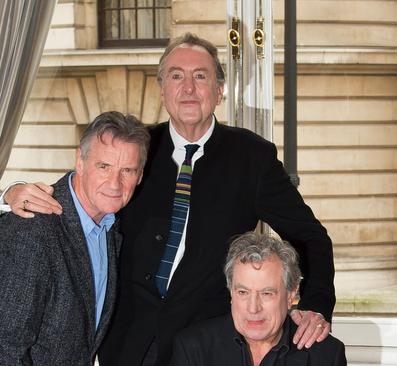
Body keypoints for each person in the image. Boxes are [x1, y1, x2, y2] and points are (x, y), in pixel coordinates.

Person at [0, 33, 335, 366]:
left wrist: (314, 307)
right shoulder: (139, 147)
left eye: (200, 76)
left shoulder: (252, 158)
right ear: (162, 90)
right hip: (126, 344)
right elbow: (85, 187)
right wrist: (12, 193)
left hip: (205, 347)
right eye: (176, 76)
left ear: (219, 91)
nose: (187, 88)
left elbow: (311, 237)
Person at [0, 112, 149, 364]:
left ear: (141, 175)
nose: (115, 183)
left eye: (128, 170)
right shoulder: (32, 229)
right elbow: (5, 349)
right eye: (104, 166)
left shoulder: (110, 227)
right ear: (79, 160)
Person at [169, 232, 346, 366]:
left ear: (291, 294)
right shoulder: (193, 348)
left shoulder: (325, 355)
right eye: (243, 292)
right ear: (231, 292)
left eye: (267, 293)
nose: (253, 308)